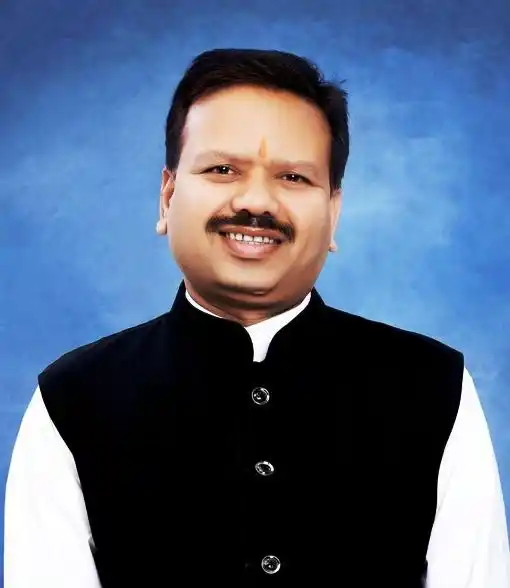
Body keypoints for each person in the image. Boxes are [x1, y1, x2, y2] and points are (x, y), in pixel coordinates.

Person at [3, 48, 509, 588]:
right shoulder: (72, 398)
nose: (257, 202)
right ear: (167, 196)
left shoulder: (433, 385)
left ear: (333, 211)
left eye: (293, 176)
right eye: (222, 169)